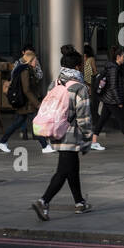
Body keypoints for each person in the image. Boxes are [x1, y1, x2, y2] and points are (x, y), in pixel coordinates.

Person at [32, 45, 94, 220]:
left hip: (56, 130)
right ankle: (43, 201)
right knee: (63, 171)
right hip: (71, 134)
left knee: (72, 169)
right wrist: (88, 137)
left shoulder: (55, 83)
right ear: (77, 67)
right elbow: (84, 116)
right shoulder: (80, 88)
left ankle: (80, 203)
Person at [0, 46, 52, 154]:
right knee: (36, 123)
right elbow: (26, 90)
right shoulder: (25, 71)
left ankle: (2, 142)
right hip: (27, 103)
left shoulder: (27, 70)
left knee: (18, 123)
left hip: (26, 103)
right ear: (30, 61)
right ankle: (45, 146)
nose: (36, 61)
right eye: (35, 60)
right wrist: (37, 103)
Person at [90, 45, 124, 152]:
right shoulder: (114, 68)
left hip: (108, 98)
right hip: (111, 99)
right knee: (121, 120)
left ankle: (93, 142)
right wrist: (118, 101)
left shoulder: (113, 67)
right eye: (123, 56)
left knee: (102, 120)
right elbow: (113, 86)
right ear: (118, 57)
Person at [83, 44, 98, 127]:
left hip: (84, 81)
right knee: (91, 102)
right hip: (90, 83)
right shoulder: (91, 59)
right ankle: (91, 121)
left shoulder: (84, 59)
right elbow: (95, 70)